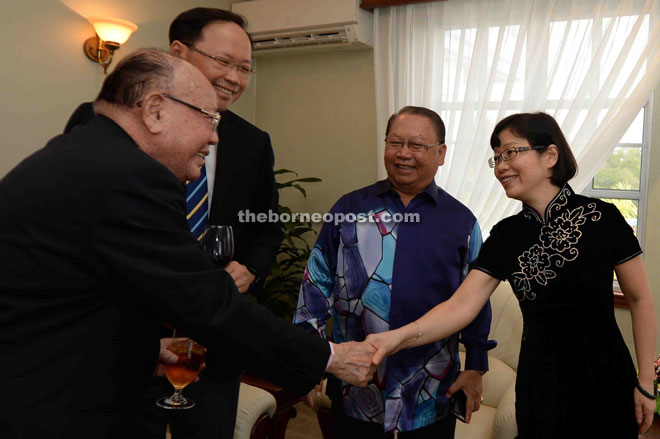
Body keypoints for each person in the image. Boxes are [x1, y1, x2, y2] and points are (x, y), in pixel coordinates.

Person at [0, 49, 376, 439]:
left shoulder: (86, 152)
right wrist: (330, 356)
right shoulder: (128, 176)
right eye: (209, 118)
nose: (215, 136)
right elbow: (209, 304)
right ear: (156, 110)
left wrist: (145, 350)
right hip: (45, 407)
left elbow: (72, 302)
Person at [366, 112, 658, 438]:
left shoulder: (601, 217)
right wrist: (396, 338)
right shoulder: (507, 235)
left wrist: (645, 382)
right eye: (496, 158)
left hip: (606, 381)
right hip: (541, 388)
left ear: (550, 155)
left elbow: (640, 298)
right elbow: (460, 305)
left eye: (510, 152)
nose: (501, 166)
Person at [63, 8, 283, 439]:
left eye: (244, 69)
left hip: (210, 342)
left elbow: (267, 222)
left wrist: (251, 267)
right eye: (222, 62)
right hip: (124, 341)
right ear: (178, 52)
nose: (234, 78)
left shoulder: (252, 142)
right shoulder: (105, 124)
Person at [294, 106, 494, 438]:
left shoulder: (463, 223)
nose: (403, 154)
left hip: (430, 391)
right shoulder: (348, 208)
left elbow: (475, 302)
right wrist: (308, 357)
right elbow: (315, 284)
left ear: (441, 153)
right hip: (356, 386)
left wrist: (475, 366)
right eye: (395, 143)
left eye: (416, 145)